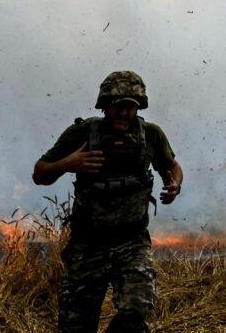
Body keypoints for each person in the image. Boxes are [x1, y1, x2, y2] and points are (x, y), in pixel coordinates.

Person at [33, 70, 183, 333]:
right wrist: (69, 163)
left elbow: (172, 167)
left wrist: (174, 185)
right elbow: (39, 173)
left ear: (138, 107)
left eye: (129, 106)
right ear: (104, 106)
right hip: (88, 243)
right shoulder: (81, 134)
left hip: (132, 241)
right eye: (116, 106)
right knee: (76, 325)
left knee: (135, 316)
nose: (123, 112)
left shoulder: (151, 135)